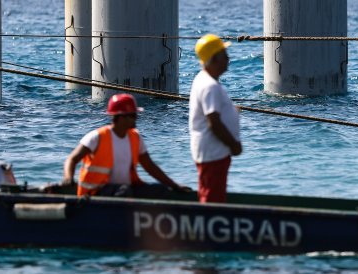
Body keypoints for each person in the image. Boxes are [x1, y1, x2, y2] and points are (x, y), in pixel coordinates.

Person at [63, 93, 190, 197]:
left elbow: (150, 166)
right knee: (124, 192)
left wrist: (174, 185)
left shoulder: (135, 137)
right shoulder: (97, 137)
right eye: (133, 115)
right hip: (95, 192)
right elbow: (72, 159)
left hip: (126, 188)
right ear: (121, 117)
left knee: (160, 191)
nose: (136, 118)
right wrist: (68, 178)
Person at [189, 34, 242, 203]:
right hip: (213, 152)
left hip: (213, 152)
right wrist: (233, 144)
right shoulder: (209, 86)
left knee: (211, 193)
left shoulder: (205, 80)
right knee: (212, 198)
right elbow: (214, 123)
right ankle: (208, 228)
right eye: (224, 55)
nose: (228, 59)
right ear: (214, 59)